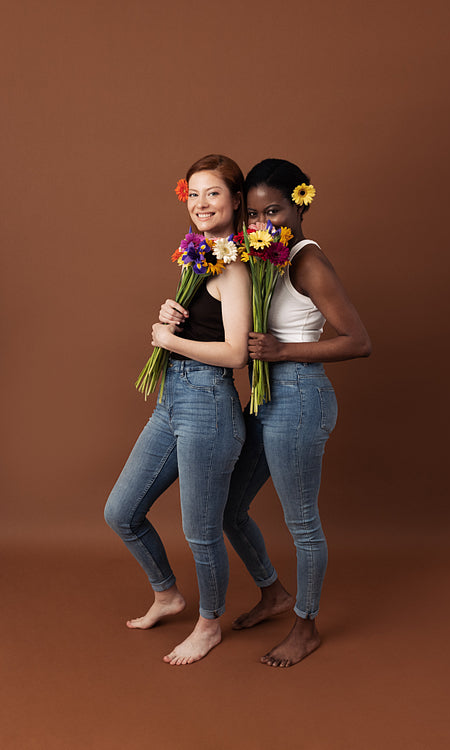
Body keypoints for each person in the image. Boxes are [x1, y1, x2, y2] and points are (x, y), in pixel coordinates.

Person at [163, 158, 371, 667]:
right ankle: (274, 594)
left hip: (299, 396)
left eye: (273, 211)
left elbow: (358, 342)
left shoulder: (306, 260)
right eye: (254, 215)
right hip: (266, 397)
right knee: (231, 509)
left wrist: (281, 352)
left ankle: (306, 625)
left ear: (302, 204)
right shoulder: (265, 255)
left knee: (301, 521)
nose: (262, 225)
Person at [104, 154, 252, 666]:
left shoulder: (233, 266)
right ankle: (168, 594)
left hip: (209, 404)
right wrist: (172, 317)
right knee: (121, 512)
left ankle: (209, 624)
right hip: (174, 398)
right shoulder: (200, 255)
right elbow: (203, 326)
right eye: (193, 194)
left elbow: (235, 353)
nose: (200, 203)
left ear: (236, 200)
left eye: (212, 193)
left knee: (201, 530)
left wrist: (170, 340)